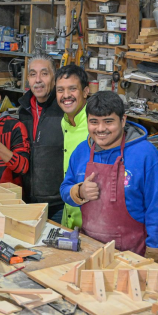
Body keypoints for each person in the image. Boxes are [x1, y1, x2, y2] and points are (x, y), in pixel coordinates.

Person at [60, 91, 158, 258]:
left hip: (132, 255)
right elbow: (65, 189)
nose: (101, 129)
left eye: (108, 122)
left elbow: (156, 210)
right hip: (90, 249)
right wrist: (79, 191)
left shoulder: (146, 155)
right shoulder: (81, 151)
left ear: (123, 120)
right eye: (94, 122)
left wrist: (154, 254)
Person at [18, 52, 65, 222]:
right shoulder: (23, 110)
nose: (38, 80)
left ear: (54, 77)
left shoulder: (64, 109)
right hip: (28, 200)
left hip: (58, 203)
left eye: (44, 74)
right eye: (33, 74)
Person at [56, 64, 90, 230]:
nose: (66, 95)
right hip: (69, 219)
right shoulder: (64, 122)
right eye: (60, 90)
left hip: (91, 224)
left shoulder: (95, 125)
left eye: (72, 89)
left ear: (85, 91)